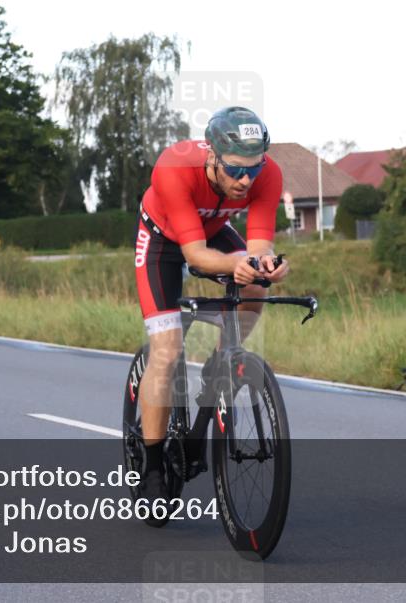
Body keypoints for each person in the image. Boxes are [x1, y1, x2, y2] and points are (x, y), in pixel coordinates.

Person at [133, 106, 289, 516]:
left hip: (214, 230)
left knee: (255, 284)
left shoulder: (266, 174)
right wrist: (237, 266)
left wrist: (267, 265)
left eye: (253, 171)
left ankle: (221, 365)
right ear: (212, 157)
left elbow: (257, 247)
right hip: (164, 241)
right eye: (236, 171)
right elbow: (196, 256)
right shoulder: (174, 168)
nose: (245, 181)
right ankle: (150, 468)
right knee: (165, 352)